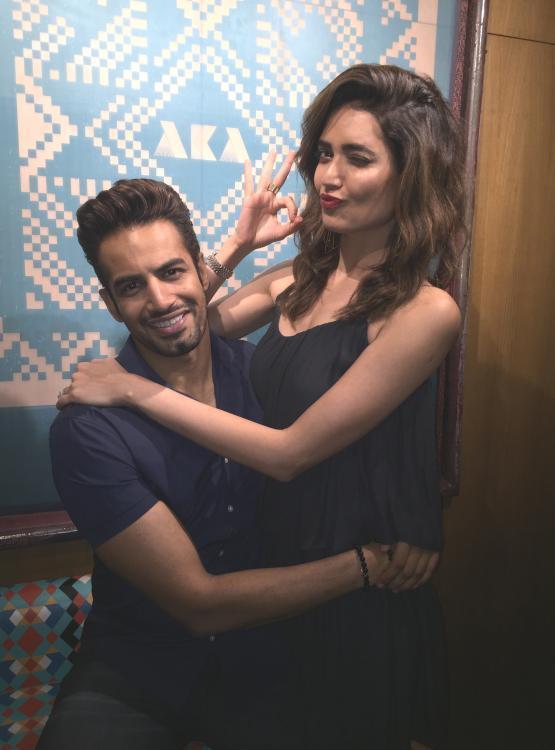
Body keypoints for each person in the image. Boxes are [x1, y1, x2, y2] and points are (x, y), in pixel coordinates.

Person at [58, 64, 465, 749]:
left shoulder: (425, 312)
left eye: (357, 158)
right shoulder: (297, 279)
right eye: (323, 154)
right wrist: (238, 243)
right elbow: (183, 322)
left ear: (411, 176)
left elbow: (289, 453)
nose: (328, 176)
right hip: (280, 580)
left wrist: (131, 389)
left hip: (362, 575)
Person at [40, 175, 397, 750]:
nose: (160, 299)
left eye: (172, 272)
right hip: (135, 673)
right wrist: (366, 566)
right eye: (131, 286)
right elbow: (198, 604)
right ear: (111, 304)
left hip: (267, 662)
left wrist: (238, 245)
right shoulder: (87, 429)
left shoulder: (264, 376)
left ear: (198, 272)